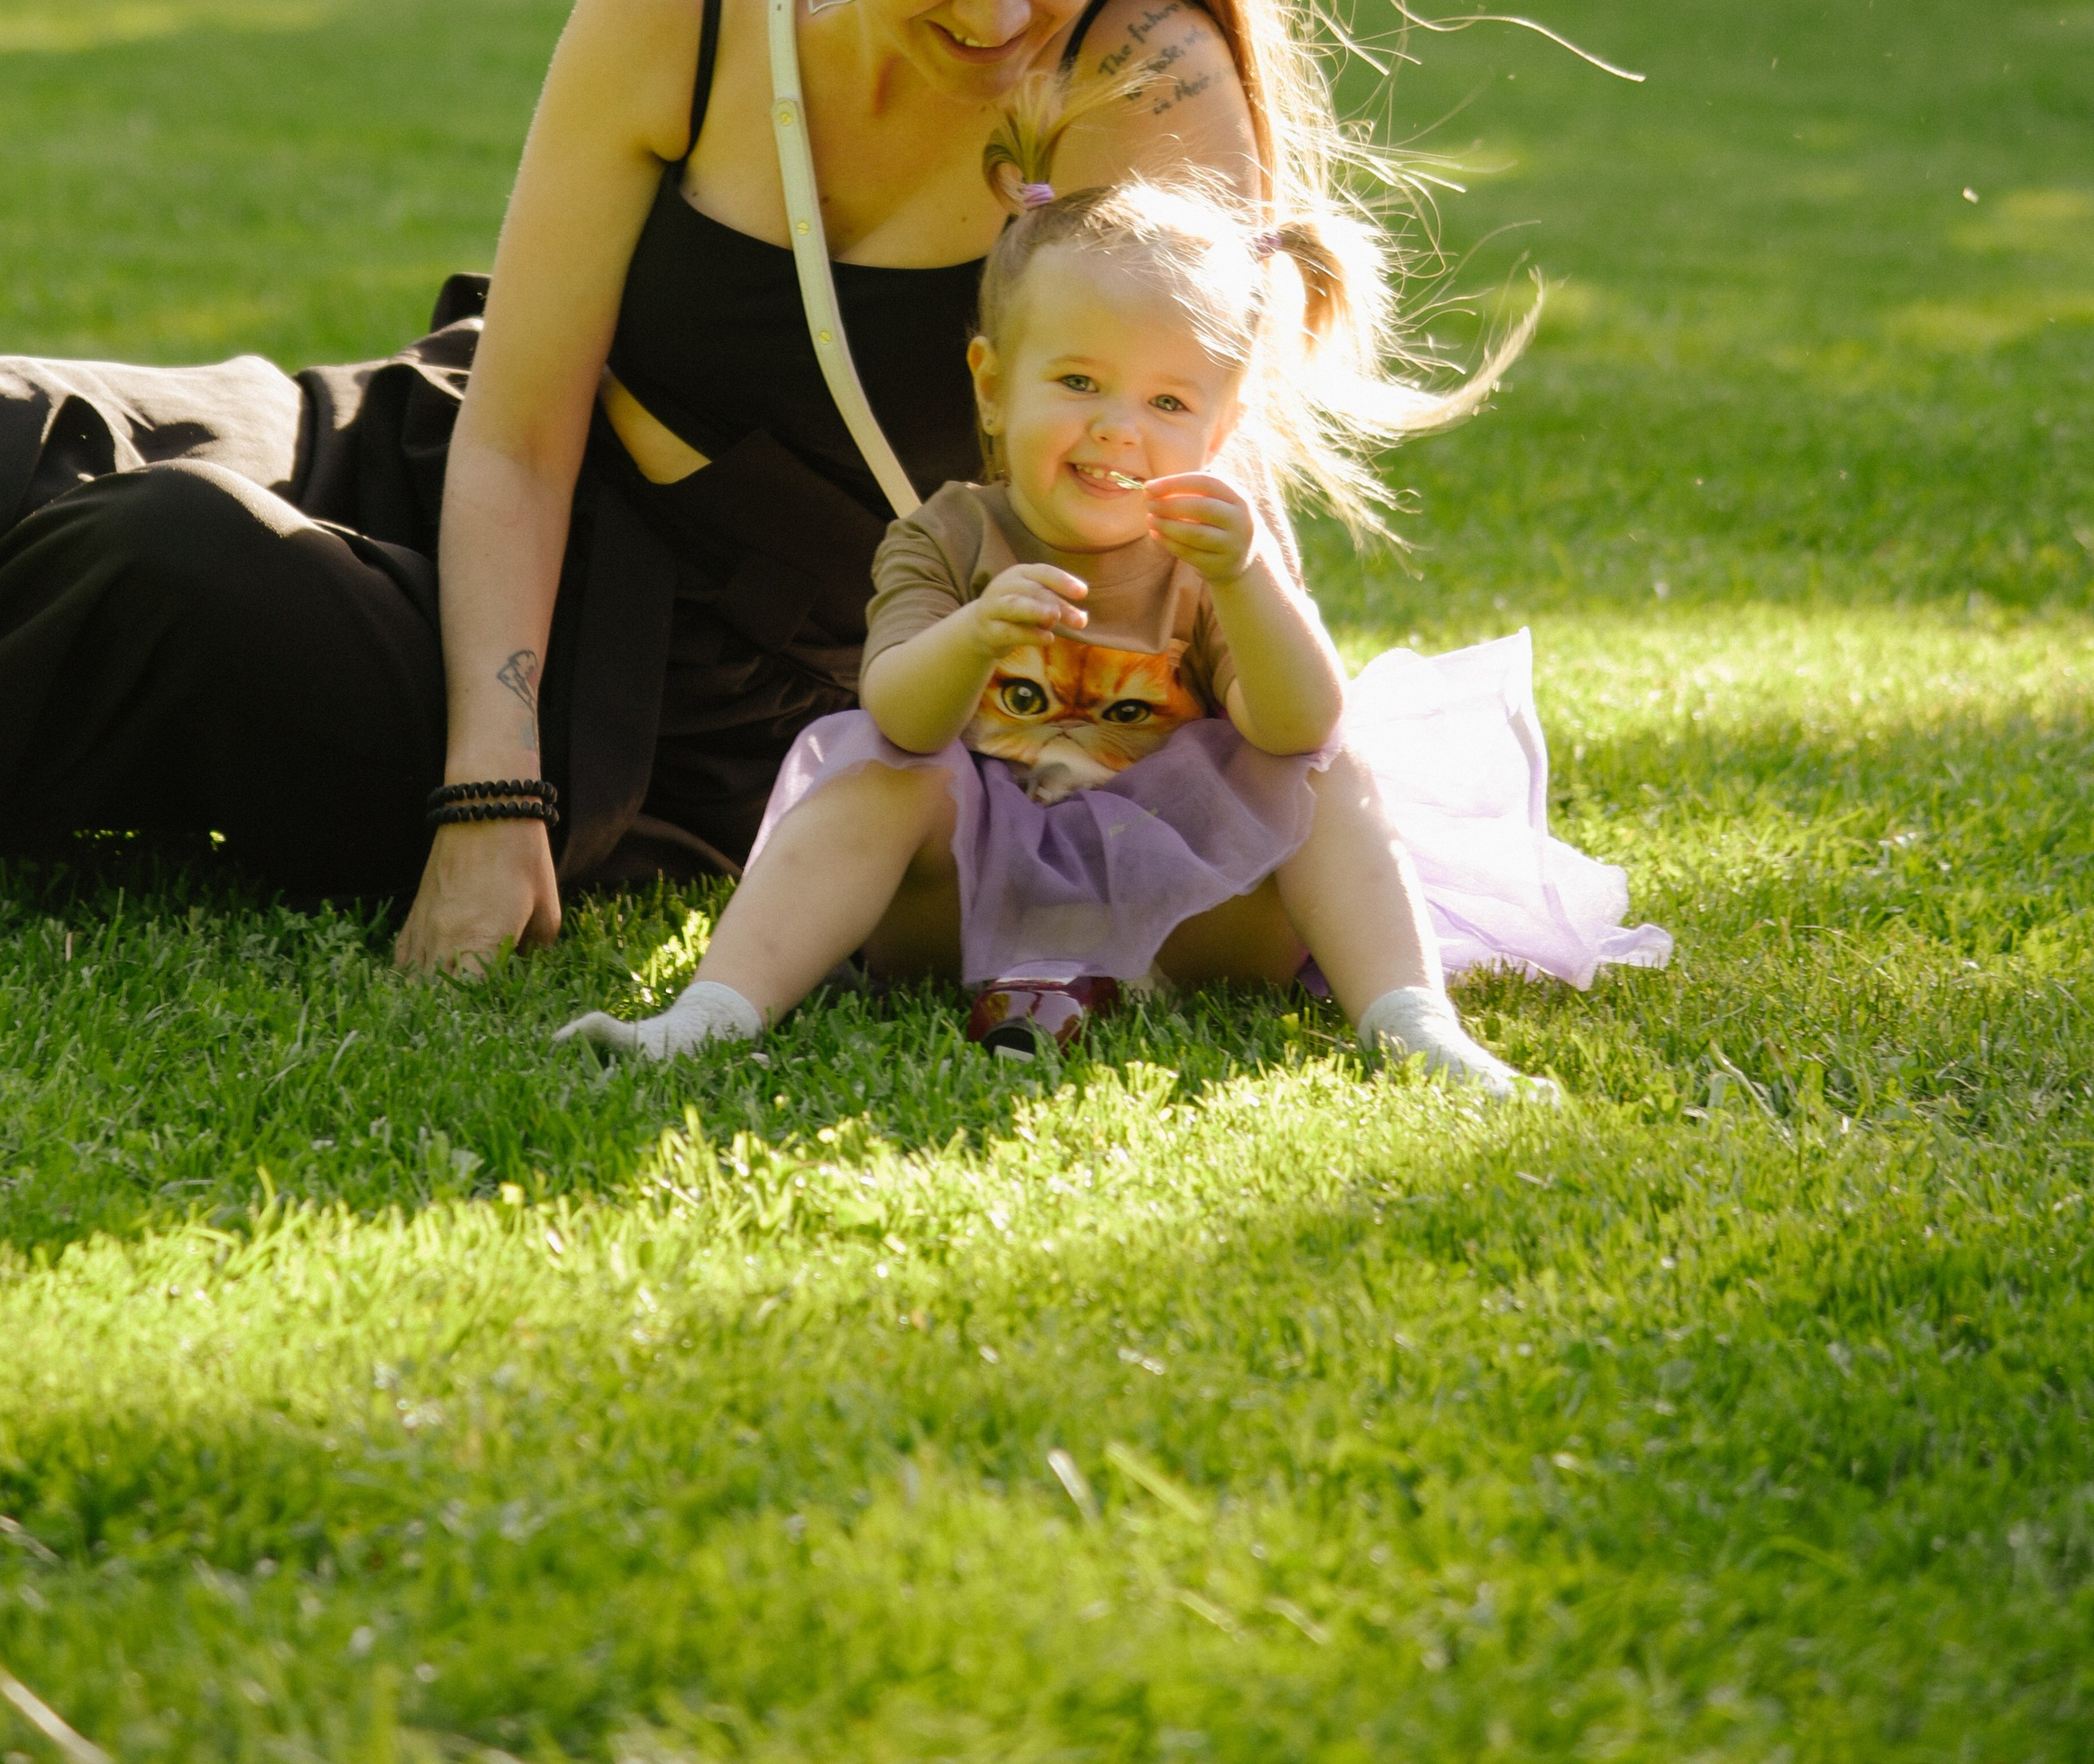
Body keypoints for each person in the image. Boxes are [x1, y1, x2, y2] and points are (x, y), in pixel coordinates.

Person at [0, 0, 1591, 987]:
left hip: (683, 705)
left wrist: (509, 800)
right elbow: (510, 433)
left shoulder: (1144, 91)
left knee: (166, 569)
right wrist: (470, 782)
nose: (995, 6)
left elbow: (1177, 519)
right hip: (462, 473)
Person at [553, 127, 1666, 1094]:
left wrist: (1250, 583)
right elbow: (892, 708)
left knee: (1335, 777)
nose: (1117, 428)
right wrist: (972, 635)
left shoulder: (1208, 557)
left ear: (1220, 427)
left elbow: (1300, 725)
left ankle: (1415, 1024)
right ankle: (707, 1016)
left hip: (1188, 911)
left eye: (1168, 400)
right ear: (992, 384)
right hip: (960, 908)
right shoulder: (949, 535)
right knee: (876, 779)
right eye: (1077, 383)